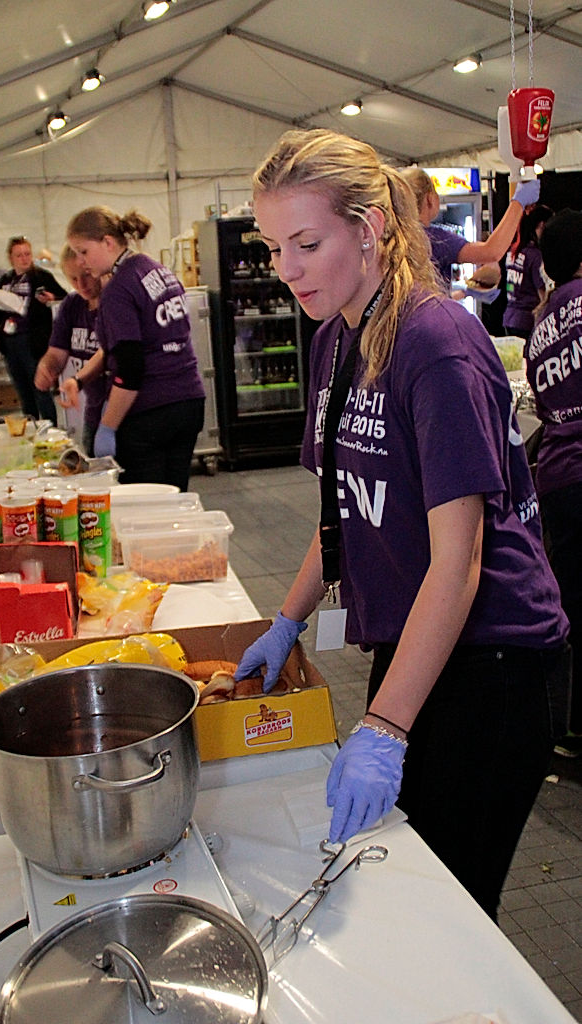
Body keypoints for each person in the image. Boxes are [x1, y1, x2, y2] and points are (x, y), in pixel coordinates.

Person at [234, 128, 570, 920]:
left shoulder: (435, 341)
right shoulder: (335, 340)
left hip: (493, 659)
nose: (286, 270)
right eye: (275, 246)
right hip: (416, 640)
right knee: (407, 885)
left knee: (447, 906)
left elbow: (459, 561)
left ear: (371, 227)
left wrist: (384, 727)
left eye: (306, 243)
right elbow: (343, 513)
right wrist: (285, 620)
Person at [66, 207, 205, 490]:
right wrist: (80, 380)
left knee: (145, 507)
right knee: (175, 497)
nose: (80, 263)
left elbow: (130, 370)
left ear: (108, 242)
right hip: (188, 402)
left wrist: (108, 426)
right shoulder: (156, 270)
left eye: (83, 252)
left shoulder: (119, 289)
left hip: (150, 413)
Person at [525, 208, 582, 758]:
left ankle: (567, 724)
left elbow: (545, 406)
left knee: (573, 602)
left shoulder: (544, 321)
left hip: (561, 479)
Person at [400, 166, 540, 299]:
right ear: (430, 198)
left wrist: (465, 292)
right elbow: (491, 252)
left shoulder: (395, 236)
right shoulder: (435, 239)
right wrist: (518, 202)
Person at [34, 245, 108, 456]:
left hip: (122, 407)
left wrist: (78, 380)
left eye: (86, 276)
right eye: (73, 279)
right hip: (93, 407)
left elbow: (109, 352)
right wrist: (47, 367)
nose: (81, 285)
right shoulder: (72, 304)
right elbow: (57, 352)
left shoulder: (114, 303)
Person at [0, 236, 67, 423]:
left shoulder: (41, 276)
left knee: (40, 387)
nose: (24, 259)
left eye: (27, 254)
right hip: (10, 340)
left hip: (33, 341)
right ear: (11, 258)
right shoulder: (5, 281)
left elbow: (63, 297)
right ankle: (30, 424)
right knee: (22, 389)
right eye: (19, 255)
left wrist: (50, 298)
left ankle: (50, 426)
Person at [503, 204, 553, 339]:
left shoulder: (513, 251)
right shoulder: (535, 256)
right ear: (542, 225)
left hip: (509, 316)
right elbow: (543, 294)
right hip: (528, 320)